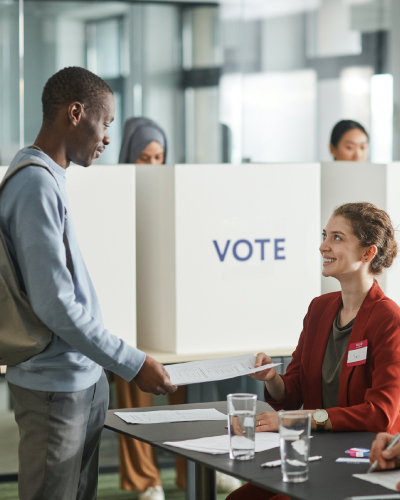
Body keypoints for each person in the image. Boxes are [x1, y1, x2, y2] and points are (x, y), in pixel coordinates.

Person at [0, 67, 177, 500]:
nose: (108, 138)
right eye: (106, 123)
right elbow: (55, 304)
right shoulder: (34, 184)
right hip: (54, 388)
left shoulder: (49, 179)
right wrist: (131, 363)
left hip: (81, 378)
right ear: (76, 113)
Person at [227, 201, 400, 500]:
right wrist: (272, 378)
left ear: (368, 252)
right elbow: (292, 393)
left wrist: (299, 420)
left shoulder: (389, 321)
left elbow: (380, 415)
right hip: (314, 451)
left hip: (360, 458)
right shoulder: (320, 309)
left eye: (337, 238)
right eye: (324, 235)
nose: (323, 246)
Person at [115, 116, 241, 500]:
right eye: (144, 157)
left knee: (182, 393)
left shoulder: (176, 193)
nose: (153, 165)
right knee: (134, 396)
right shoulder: (112, 194)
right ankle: (145, 480)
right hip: (129, 313)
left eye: (159, 156)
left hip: (173, 312)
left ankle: (194, 472)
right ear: (128, 157)